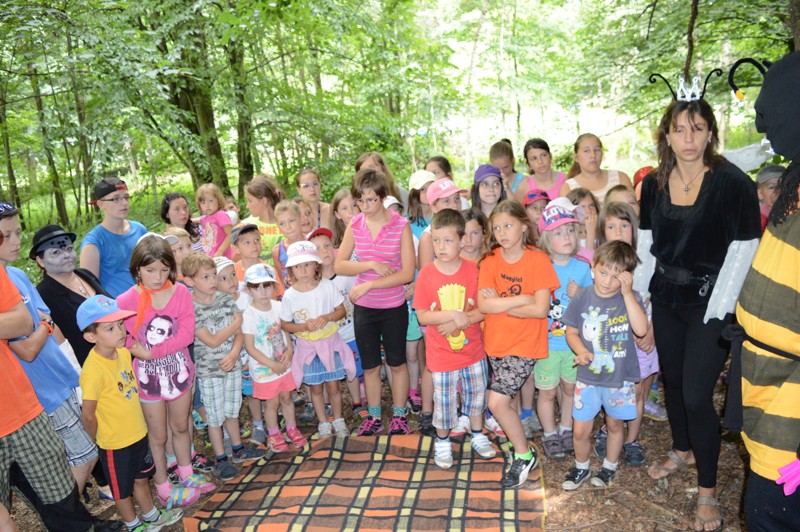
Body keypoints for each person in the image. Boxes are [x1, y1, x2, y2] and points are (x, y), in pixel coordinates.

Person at [634, 87, 760, 532]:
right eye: (679, 129)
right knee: (672, 382)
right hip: (665, 298)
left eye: (698, 128)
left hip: (712, 301)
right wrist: (640, 302)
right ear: (666, 135)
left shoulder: (733, 183)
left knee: (695, 394)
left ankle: (707, 490)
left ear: (710, 133)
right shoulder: (653, 184)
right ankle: (681, 448)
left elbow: (744, 250)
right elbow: (646, 245)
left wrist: (719, 310)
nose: (688, 138)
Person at [729, 51, 800, 530]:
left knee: (771, 514)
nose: (761, 127)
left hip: (792, 399)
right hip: (765, 376)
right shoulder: (795, 182)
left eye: (769, 112)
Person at [0, 207, 96, 495]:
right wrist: (42, 325)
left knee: (82, 452)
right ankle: (70, 512)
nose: (16, 240)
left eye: (18, 233)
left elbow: (45, 319)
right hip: (40, 389)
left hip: (61, 376)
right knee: (84, 454)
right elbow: (28, 349)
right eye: (6, 235)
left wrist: (40, 325)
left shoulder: (17, 274)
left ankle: (74, 510)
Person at [116, 234, 216, 507]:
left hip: (179, 374)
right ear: (137, 269)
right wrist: (135, 349)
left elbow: (186, 334)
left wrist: (152, 352)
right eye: (150, 270)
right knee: (157, 435)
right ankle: (163, 486)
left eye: (163, 270)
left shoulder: (180, 292)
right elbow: (120, 335)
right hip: (148, 380)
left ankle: (186, 473)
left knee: (181, 426)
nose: (158, 277)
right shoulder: (125, 300)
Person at [77, 295, 185, 530]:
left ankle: (151, 516)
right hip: (115, 443)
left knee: (141, 478)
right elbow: (88, 414)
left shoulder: (124, 353)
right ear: (91, 336)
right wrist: (98, 438)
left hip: (137, 434)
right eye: (110, 328)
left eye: (120, 324)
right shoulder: (93, 371)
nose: (120, 331)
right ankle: (134, 525)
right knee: (121, 490)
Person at [477, 200, 559, 487]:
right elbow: (484, 305)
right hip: (496, 342)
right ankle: (518, 446)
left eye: (508, 226)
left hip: (524, 344)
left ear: (524, 226)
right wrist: (522, 299)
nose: (502, 233)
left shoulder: (538, 260)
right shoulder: (490, 260)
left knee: (496, 401)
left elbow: (541, 309)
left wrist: (502, 304)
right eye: (496, 228)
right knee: (507, 403)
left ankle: (524, 456)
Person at [334, 168, 416, 436]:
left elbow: (407, 273)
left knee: (397, 362)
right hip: (365, 308)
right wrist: (369, 265)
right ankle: (375, 416)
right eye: (360, 200)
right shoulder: (355, 225)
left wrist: (370, 283)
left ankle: (400, 415)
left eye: (371, 200)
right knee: (370, 366)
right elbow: (339, 264)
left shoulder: (400, 226)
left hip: (392, 306)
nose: (365, 206)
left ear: (383, 197)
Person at [561, 241, 647, 490]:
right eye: (603, 272)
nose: (608, 281)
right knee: (580, 429)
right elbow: (571, 333)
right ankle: (581, 467)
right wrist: (582, 352)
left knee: (614, 425)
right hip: (588, 377)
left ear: (627, 277)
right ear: (593, 267)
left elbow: (641, 330)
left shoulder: (630, 298)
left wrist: (628, 294)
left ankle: (609, 467)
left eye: (616, 276)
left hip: (619, 379)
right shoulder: (582, 297)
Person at [414, 209, 496, 469]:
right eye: (436, 241)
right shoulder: (427, 274)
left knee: (476, 396)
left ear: (462, 241)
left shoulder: (474, 271)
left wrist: (463, 320)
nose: (441, 247)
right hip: (441, 356)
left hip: (473, 352)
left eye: (448, 240)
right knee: (444, 401)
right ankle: (442, 441)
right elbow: (423, 316)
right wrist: (452, 315)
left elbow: (484, 309)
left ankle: (477, 434)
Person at [182, 252, 265, 481]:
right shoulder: (191, 307)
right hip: (210, 372)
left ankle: (238, 449)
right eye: (205, 277)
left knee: (232, 410)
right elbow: (211, 341)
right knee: (214, 417)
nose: (212, 281)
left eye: (213, 275)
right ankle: (221, 459)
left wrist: (235, 353)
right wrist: (236, 323)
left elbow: (239, 334)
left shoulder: (225, 300)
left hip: (232, 365)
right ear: (189, 280)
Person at [593, 202, 663, 467]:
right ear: (602, 231)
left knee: (638, 391)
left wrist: (651, 332)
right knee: (612, 389)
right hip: (614, 342)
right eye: (611, 227)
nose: (619, 232)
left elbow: (659, 299)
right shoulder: (601, 263)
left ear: (634, 229)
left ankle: (632, 439)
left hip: (643, 339)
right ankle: (609, 429)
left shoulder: (648, 260)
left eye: (624, 225)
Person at [535, 198, 593, 460]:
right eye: (558, 232)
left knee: (570, 389)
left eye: (570, 230)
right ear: (546, 238)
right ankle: (549, 434)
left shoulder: (582, 267)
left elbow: (593, 304)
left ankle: (566, 429)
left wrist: (580, 293)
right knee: (547, 391)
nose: (567, 236)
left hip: (573, 343)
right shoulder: (540, 266)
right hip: (546, 343)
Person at [242, 264, 306, 451]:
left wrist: (290, 351)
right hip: (264, 369)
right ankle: (274, 433)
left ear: (274, 286)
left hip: (284, 364)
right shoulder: (248, 315)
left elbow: (285, 330)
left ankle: (291, 428)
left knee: (286, 397)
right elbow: (250, 347)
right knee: (272, 402)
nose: (263, 291)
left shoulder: (279, 306)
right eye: (257, 287)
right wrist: (271, 364)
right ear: (248, 290)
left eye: (267, 285)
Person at [31, 224, 108, 367]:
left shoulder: (85, 275)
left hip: (119, 360)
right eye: (56, 252)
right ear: (41, 261)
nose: (66, 255)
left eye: (69, 248)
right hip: (90, 369)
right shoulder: (42, 296)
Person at [309, 228, 366, 420]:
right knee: (328, 373)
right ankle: (327, 407)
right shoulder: (313, 284)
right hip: (327, 339)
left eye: (327, 245)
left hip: (350, 333)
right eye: (317, 249)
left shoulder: (347, 275)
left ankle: (357, 403)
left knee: (353, 371)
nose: (324, 251)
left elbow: (357, 297)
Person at [81, 178, 147, 297]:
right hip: (116, 305)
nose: (124, 203)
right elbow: (89, 288)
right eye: (116, 199)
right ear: (101, 204)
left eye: (126, 197)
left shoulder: (139, 230)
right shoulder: (94, 242)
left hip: (147, 298)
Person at [560, 134, 633, 203]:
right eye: (586, 151)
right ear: (576, 157)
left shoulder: (620, 178)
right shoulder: (568, 188)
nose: (593, 155)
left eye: (597, 150)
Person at [418, 179, 467, 270]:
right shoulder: (428, 236)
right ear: (433, 207)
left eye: (457, 198)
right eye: (446, 201)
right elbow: (425, 273)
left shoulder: (467, 226)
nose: (454, 205)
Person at [242, 176, 285, 266]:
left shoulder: (286, 223)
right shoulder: (246, 226)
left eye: (250, 201)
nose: (247, 206)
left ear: (264, 201)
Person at [515, 138, 567, 204]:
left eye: (543, 155)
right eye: (534, 158)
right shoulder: (523, 187)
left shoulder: (566, 179)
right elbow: (518, 210)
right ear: (528, 164)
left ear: (550, 156)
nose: (540, 162)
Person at [272, 200, 306, 287]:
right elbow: (281, 281)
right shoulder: (277, 251)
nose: (288, 227)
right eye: (282, 223)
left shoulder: (312, 243)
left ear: (300, 219)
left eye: (291, 221)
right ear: (278, 226)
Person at [196, 183, 233, 258]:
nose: (207, 205)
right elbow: (199, 219)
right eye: (203, 202)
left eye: (211, 201)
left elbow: (231, 234)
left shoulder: (221, 215)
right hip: (211, 257)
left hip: (223, 257)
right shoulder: (205, 218)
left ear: (218, 200)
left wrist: (220, 251)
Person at [755, 163, 783, 232]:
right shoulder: (759, 219)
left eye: (783, 186)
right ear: (759, 194)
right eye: (772, 187)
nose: (778, 191)